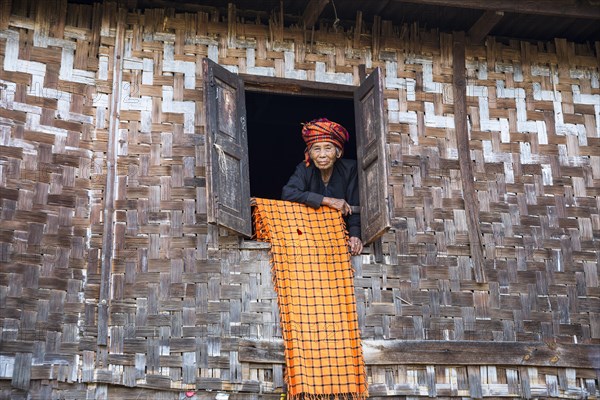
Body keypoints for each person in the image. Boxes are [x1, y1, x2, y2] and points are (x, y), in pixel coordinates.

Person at [281, 118, 363, 256]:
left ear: (338, 153)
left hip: (341, 236)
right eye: (317, 149)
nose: (322, 155)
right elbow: (288, 193)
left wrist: (355, 234)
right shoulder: (304, 169)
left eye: (328, 148)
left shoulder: (350, 169)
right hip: (308, 235)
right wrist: (328, 201)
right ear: (309, 154)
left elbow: (355, 204)